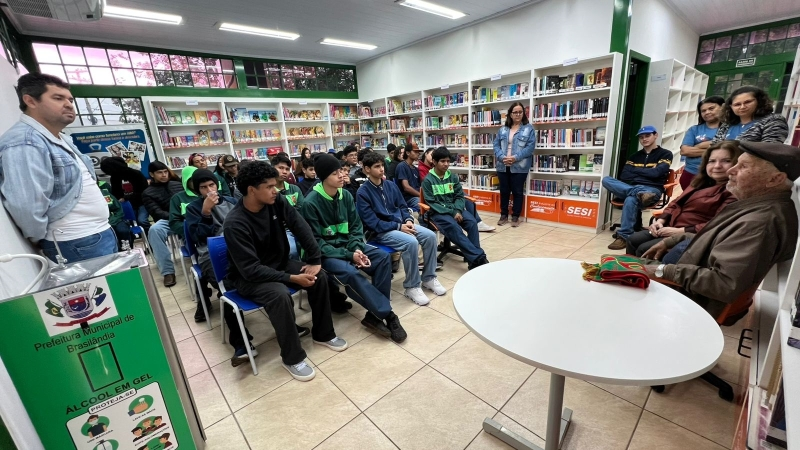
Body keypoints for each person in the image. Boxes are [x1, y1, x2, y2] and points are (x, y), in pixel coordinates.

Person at [641, 141, 799, 319]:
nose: (730, 170)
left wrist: (663, 270)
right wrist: (673, 239)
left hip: (689, 304)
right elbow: (718, 240)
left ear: (775, 179)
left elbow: (723, 283)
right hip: (684, 289)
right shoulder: (758, 208)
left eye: (743, 166)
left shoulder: (759, 223)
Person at [223, 161, 347, 381]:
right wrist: (292, 278)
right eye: (269, 186)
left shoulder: (276, 201)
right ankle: (292, 358)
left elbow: (300, 225)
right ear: (252, 190)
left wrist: (315, 259)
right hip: (248, 277)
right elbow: (251, 270)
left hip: (278, 263)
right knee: (279, 295)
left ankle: (323, 334)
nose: (276, 190)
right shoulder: (235, 223)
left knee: (319, 276)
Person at [0, 73, 116, 263]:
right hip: (75, 240)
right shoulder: (25, 143)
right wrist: (41, 238)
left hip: (95, 234)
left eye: (70, 99)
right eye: (58, 98)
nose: (69, 104)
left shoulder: (60, 138)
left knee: (120, 281)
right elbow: (26, 206)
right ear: (30, 101)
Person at [302, 154, 407, 343]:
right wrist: (350, 255)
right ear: (323, 177)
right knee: (350, 273)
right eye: (335, 173)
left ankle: (374, 315)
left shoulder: (346, 196)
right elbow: (316, 243)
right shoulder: (310, 203)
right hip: (325, 254)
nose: (342, 175)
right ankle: (388, 314)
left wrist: (356, 249)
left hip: (349, 247)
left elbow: (356, 228)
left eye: (341, 171)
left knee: (382, 258)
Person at [357, 152, 447, 305]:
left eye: (382, 165)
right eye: (377, 166)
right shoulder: (363, 192)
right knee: (411, 242)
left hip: (400, 225)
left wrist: (408, 219)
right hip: (380, 232)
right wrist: (399, 226)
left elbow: (402, 206)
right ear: (367, 169)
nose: (381, 169)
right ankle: (412, 286)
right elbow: (372, 223)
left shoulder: (390, 185)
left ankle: (429, 278)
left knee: (430, 236)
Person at [625, 141, 739, 256]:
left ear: (738, 164)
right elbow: (676, 202)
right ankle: (626, 267)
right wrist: (660, 221)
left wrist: (680, 231)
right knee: (632, 239)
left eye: (726, 161)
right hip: (670, 225)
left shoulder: (734, 191)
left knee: (644, 249)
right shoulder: (700, 181)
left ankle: (643, 268)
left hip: (693, 234)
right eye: (712, 161)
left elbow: (718, 223)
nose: (717, 166)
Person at [602, 125, 673, 250]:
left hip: (652, 190)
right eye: (641, 137)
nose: (644, 139)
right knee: (606, 180)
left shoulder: (665, 154)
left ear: (655, 135)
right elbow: (625, 175)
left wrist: (635, 170)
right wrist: (648, 171)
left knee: (630, 199)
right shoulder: (634, 156)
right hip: (634, 187)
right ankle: (639, 192)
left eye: (647, 136)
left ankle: (624, 236)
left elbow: (657, 173)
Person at [421, 147, 489, 270]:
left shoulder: (453, 177)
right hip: (438, 213)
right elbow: (432, 203)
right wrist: (453, 212)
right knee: (454, 227)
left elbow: (459, 196)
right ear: (434, 162)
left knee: (472, 222)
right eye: (442, 161)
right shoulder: (428, 180)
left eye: (448, 161)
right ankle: (478, 257)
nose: (446, 164)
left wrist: (457, 210)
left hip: (456, 209)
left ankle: (472, 259)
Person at [493, 101, 535, 227]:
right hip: (503, 165)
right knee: (504, 191)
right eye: (515, 112)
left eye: (520, 112)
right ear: (510, 114)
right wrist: (502, 157)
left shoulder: (529, 129)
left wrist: (515, 158)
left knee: (517, 191)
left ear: (523, 113)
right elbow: (496, 145)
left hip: (520, 166)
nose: (518, 114)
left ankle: (515, 216)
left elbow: (530, 148)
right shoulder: (503, 129)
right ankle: (503, 215)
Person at [143, 161, 183, 287]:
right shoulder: (147, 193)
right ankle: (168, 272)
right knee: (154, 230)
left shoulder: (178, 185)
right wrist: (175, 216)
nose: (164, 175)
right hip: (167, 221)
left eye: (165, 171)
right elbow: (156, 212)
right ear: (152, 174)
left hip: (186, 216)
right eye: (160, 173)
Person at [712, 86, 789, 143]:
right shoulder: (727, 125)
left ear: (759, 101)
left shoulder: (773, 120)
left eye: (748, 102)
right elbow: (713, 146)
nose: (742, 107)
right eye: (737, 104)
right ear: (731, 107)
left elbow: (770, 149)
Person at [679, 96, 724, 189]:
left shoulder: (730, 129)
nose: (707, 112)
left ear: (722, 107)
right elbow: (685, 151)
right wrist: (715, 149)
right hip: (692, 173)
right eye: (703, 111)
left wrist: (699, 146)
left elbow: (730, 149)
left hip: (719, 175)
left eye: (711, 108)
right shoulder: (694, 129)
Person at [99, 156, 151, 233]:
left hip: (142, 202)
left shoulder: (136, 174)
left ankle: (149, 234)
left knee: (142, 220)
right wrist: (119, 199)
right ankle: (136, 236)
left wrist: (126, 198)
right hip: (127, 204)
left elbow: (144, 191)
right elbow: (116, 193)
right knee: (129, 222)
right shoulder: (114, 178)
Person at [98, 180, 131, 251]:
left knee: (123, 231)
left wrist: (112, 221)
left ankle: (127, 251)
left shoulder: (105, 193)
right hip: (98, 224)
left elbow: (118, 209)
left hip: (115, 219)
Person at [395, 143, 422, 212]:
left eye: (418, 152)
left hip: (416, 196)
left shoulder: (415, 169)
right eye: (415, 152)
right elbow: (406, 188)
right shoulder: (402, 166)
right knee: (422, 204)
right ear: (407, 153)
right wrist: (421, 196)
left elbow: (420, 186)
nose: (418, 154)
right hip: (407, 198)